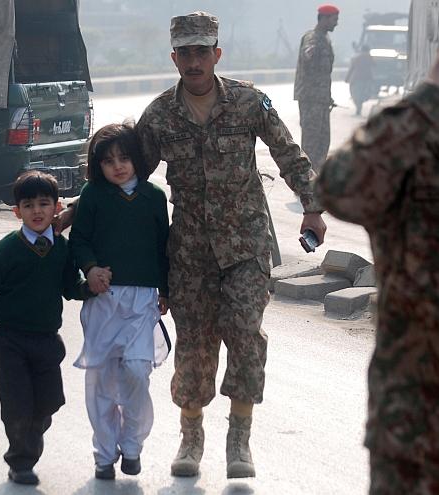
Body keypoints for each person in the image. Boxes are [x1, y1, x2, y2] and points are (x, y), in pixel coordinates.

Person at [134, 11, 327, 479]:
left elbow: (288, 151)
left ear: (217, 54)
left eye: (203, 52)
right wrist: (74, 213)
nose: (195, 61)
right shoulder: (159, 116)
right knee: (195, 346)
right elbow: (123, 176)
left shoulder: (247, 101)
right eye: (186, 53)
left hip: (245, 246)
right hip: (190, 254)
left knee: (245, 333)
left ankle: (239, 439)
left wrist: (312, 206)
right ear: (174, 57)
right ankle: (191, 436)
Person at [315, 53, 439, 495]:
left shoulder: (411, 127)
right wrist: (429, 103)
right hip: (417, 409)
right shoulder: (414, 130)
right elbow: (336, 186)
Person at [0, 170, 95, 486]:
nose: (37, 211)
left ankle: (28, 437)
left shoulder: (62, 249)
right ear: (16, 212)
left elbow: (69, 286)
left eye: (44, 204)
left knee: (49, 403)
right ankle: (21, 461)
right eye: (28, 205)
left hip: (47, 341)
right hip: (9, 340)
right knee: (17, 404)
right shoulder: (8, 248)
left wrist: (90, 287)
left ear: (57, 207)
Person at [69, 123, 170, 480]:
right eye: (109, 160)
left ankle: (132, 445)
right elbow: (78, 241)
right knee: (100, 380)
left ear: (138, 160)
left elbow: (163, 248)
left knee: (136, 371)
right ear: (98, 166)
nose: (118, 166)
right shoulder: (93, 195)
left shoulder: (154, 197)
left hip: (142, 301)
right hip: (103, 301)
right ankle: (104, 453)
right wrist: (90, 268)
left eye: (125, 158)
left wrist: (166, 291)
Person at [294, 4, 340, 172]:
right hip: (311, 99)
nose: (336, 23)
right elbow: (308, 56)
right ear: (324, 18)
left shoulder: (325, 38)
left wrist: (327, 97)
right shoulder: (312, 38)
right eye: (334, 20)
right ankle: (305, 179)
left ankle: (317, 178)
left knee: (322, 142)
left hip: (321, 100)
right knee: (311, 143)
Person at [346, 45, 375, 116]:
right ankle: (359, 107)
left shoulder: (355, 57)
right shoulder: (370, 57)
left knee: (355, 94)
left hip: (356, 79)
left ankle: (358, 107)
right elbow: (374, 65)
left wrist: (347, 78)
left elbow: (351, 68)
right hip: (367, 78)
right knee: (363, 94)